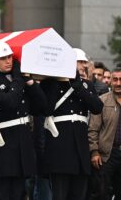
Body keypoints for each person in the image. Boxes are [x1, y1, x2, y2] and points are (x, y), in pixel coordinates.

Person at [0, 42, 47, 200]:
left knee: (20, 193)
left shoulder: (18, 81)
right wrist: (19, 80)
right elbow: (10, 102)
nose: (8, 61)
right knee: (3, 193)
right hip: (3, 146)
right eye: (2, 58)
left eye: (9, 57)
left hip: (22, 143)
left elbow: (42, 107)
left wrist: (30, 82)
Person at [40, 47, 103, 200]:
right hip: (59, 148)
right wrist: (59, 80)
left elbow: (97, 107)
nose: (83, 66)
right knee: (60, 194)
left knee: (79, 194)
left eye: (84, 62)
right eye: (79, 62)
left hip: (80, 149)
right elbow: (45, 109)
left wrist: (78, 85)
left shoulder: (86, 85)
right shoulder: (51, 83)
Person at [88, 67, 121, 200]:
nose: (118, 83)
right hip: (106, 156)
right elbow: (93, 129)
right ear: (110, 81)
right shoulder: (102, 100)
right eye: (115, 79)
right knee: (101, 194)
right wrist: (94, 152)